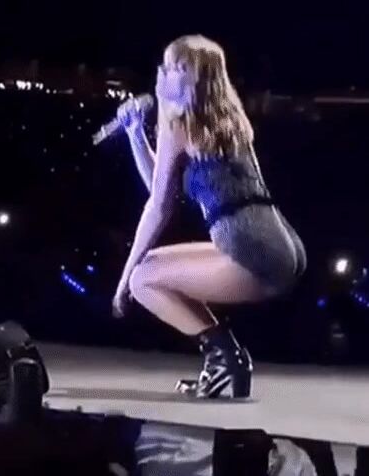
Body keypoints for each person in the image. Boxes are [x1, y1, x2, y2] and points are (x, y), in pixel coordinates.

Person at [112, 34, 306, 398]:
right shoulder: (228, 120)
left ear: (196, 78)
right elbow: (161, 187)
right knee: (151, 266)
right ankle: (227, 361)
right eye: (164, 65)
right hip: (280, 245)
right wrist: (136, 133)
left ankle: (226, 361)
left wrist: (122, 282)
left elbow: (158, 207)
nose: (162, 73)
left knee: (141, 280)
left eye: (175, 68)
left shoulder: (179, 124)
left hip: (252, 250)